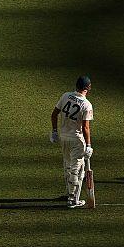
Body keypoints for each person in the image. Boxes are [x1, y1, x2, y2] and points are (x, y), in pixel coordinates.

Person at [49, 76, 94, 209]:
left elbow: (54, 114)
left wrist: (55, 131)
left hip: (63, 137)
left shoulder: (65, 96)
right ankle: (73, 199)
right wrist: (89, 145)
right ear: (88, 88)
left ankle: (70, 192)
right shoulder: (86, 104)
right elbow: (85, 127)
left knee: (67, 165)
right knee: (77, 169)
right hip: (76, 140)